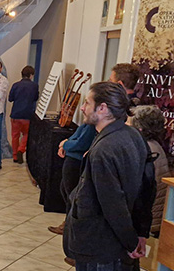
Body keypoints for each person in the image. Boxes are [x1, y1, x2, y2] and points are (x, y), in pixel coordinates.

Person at [63, 82, 152, 270]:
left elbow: (113, 204)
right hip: (117, 244)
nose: (82, 108)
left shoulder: (104, 150)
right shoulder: (134, 135)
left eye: (87, 103)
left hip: (100, 247)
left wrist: (130, 242)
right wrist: (140, 233)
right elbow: (146, 190)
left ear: (102, 108)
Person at [47, 123, 97, 237]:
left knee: (71, 194)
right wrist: (64, 144)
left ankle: (69, 226)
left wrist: (65, 144)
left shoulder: (91, 126)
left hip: (76, 161)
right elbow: (73, 138)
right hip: (71, 158)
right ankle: (68, 223)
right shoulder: (86, 124)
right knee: (64, 190)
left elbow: (81, 144)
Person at [132, 105, 171, 237]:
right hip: (154, 216)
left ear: (140, 127)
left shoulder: (144, 149)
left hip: (147, 220)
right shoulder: (154, 145)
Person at [7, 65, 39, 163]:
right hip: (28, 115)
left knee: (15, 136)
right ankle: (21, 149)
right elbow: (35, 98)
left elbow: (10, 99)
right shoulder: (34, 86)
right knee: (27, 134)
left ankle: (15, 156)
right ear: (31, 75)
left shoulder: (15, 85)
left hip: (16, 114)